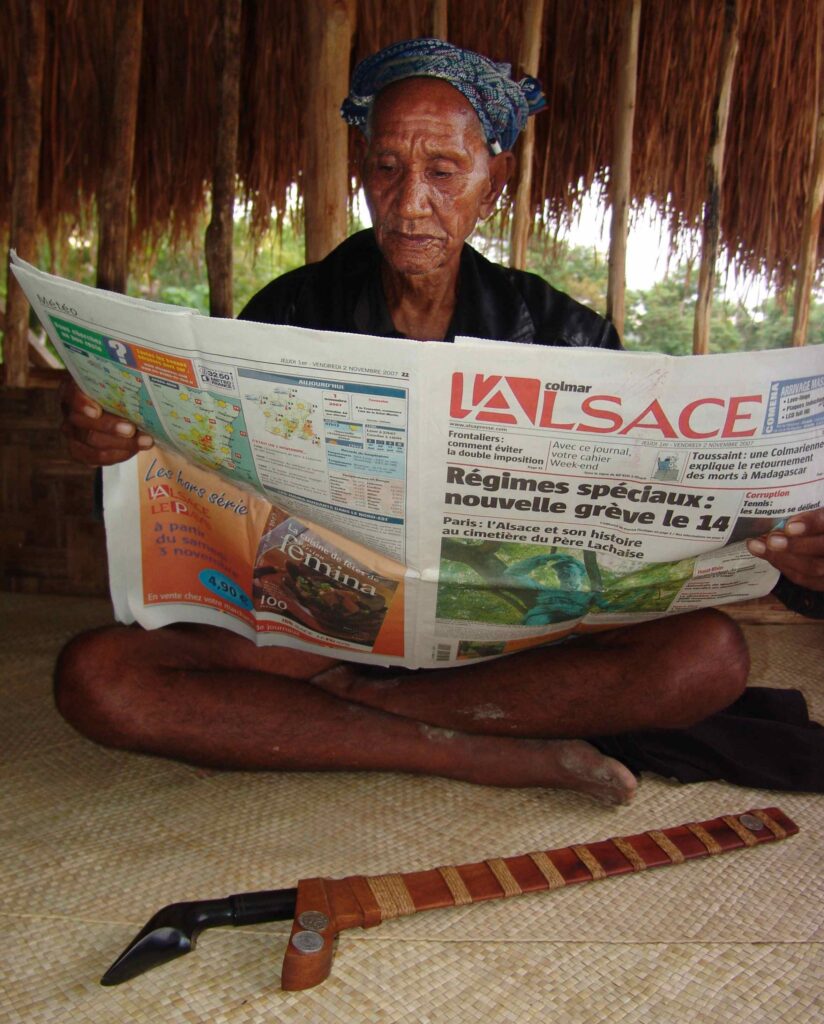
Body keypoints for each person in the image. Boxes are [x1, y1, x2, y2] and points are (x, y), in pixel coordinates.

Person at [56, 40, 824, 804]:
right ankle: (480, 752)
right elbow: (191, 499)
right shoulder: (291, 313)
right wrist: (121, 449)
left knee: (710, 658)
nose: (411, 201)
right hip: (317, 629)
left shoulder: (568, 335)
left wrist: (796, 563)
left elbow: (646, 539)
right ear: (364, 173)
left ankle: (369, 715)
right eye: (387, 168)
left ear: (496, 183)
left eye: (444, 172)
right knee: (98, 680)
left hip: (509, 648)